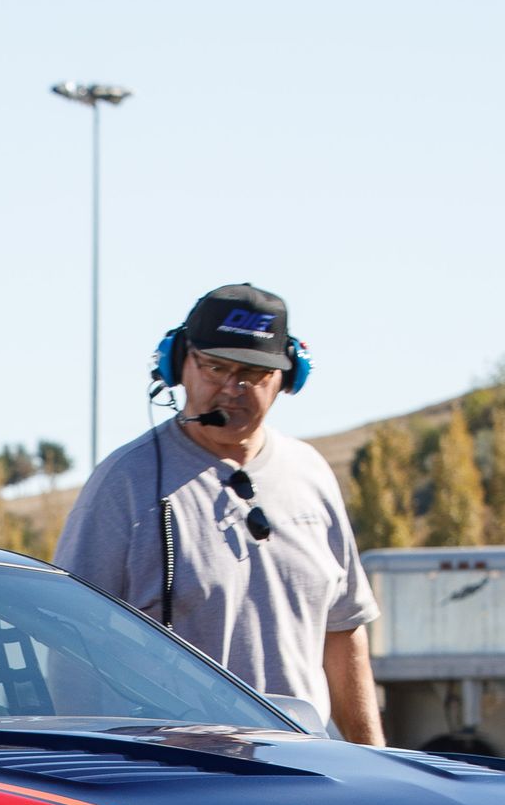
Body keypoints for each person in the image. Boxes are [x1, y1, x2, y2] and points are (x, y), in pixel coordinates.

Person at [55, 283, 385, 743]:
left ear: (289, 377)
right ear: (178, 363)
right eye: (216, 368)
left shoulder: (312, 474)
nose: (234, 388)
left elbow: (343, 629)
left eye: (255, 373)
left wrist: (372, 756)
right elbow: (69, 639)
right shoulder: (124, 483)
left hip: (308, 772)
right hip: (176, 777)